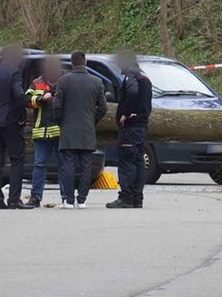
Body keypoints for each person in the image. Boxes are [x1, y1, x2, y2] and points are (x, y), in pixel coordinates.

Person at [51, 51, 107, 209]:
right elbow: (102, 107)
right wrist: (92, 120)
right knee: (86, 166)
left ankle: (68, 200)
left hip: (68, 129)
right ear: (85, 63)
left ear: (72, 63)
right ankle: (82, 200)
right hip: (87, 129)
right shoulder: (96, 82)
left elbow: (57, 105)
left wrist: (60, 121)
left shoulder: (63, 81)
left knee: (68, 165)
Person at [0, 45, 30, 209]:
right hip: (9, 121)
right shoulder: (14, 72)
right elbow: (19, 95)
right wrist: (19, 117)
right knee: (17, 158)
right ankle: (14, 199)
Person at [107, 49, 151, 209]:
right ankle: (137, 198)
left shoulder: (130, 76)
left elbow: (132, 91)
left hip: (131, 127)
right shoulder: (144, 76)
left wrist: (126, 113)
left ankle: (126, 197)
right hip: (142, 125)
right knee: (138, 162)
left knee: (127, 163)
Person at [22, 56, 64, 208]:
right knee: (39, 165)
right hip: (41, 131)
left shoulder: (64, 81)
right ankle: (35, 197)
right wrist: (40, 99)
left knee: (63, 165)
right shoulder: (37, 82)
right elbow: (26, 100)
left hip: (60, 131)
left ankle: (66, 197)